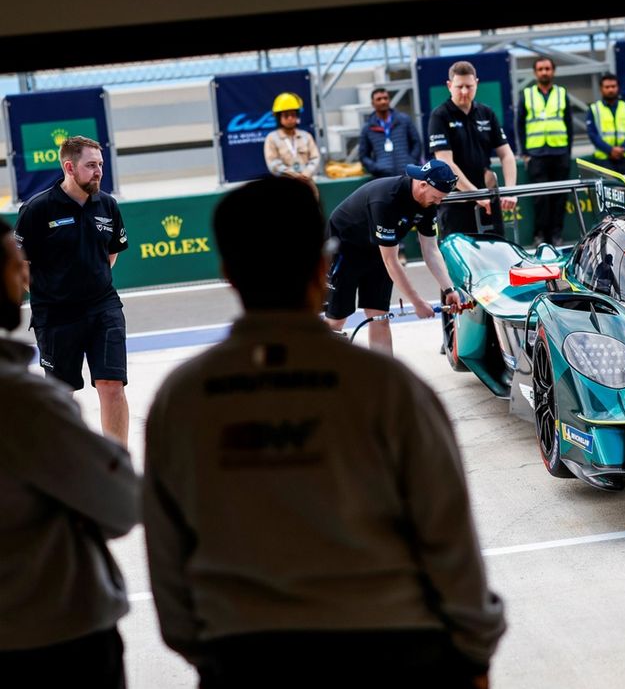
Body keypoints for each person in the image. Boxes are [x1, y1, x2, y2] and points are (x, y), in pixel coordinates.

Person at [143, 176, 506, 688]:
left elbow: (167, 561)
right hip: (390, 649)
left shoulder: (180, 399)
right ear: (321, 267)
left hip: (244, 656)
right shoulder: (392, 390)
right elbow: (449, 540)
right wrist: (473, 654)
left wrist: (213, 654)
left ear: (228, 274)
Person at [0, 218, 140, 688]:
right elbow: (121, 506)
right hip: (51, 631)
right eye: (12, 265)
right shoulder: (25, 402)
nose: (24, 275)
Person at [13, 135, 131, 446]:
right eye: (91, 165)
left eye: (101, 165)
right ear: (69, 167)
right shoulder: (37, 209)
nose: (99, 172)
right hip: (55, 315)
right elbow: (19, 262)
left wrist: (91, 281)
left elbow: (110, 255)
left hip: (103, 307)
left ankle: (117, 460)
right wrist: (47, 291)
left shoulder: (108, 205)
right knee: (61, 395)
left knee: (112, 384)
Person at [324, 160, 463, 354]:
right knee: (337, 318)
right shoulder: (386, 200)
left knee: (379, 316)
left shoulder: (428, 202)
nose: (439, 202)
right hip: (346, 249)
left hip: (377, 249)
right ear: (423, 185)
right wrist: (417, 302)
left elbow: (431, 250)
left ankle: (383, 377)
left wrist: (449, 288)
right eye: (437, 197)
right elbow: (391, 261)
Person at [427, 60, 518, 238]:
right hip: (455, 200)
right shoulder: (440, 116)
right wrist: (475, 194)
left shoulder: (487, 113)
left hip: (488, 199)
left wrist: (510, 191)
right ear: (449, 85)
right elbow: (445, 162)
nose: (464, 92)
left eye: (469, 86)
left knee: (496, 252)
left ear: (476, 83)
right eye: (459, 86)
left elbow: (506, 155)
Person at [517, 56, 573, 246]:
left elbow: (569, 124)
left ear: (553, 71)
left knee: (559, 198)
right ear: (535, 73)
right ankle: (541, 235)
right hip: (536, 154)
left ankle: (556, 235)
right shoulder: (527, 94)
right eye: (540, 69)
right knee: (541, 199)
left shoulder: (562, 93)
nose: (544, 72)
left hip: (559, 153)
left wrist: (568, 152)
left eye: (547, 68)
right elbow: (520, 124)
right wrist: (524, 152)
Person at [263, 91, 321, 197]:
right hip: (284, 186)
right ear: (279, 118)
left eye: (293, 115)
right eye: (286, 115)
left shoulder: (306, 136)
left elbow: (315, 158)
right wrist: (293, 175)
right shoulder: (272, 138)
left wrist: (306, 174)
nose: (290, 118)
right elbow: (273, 164)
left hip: (307, 184)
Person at [359, 87, 423, 178]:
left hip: (406, 175)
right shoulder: (368, 128)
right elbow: (363, 156)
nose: (383, 101)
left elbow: (416, 143)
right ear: (373, 103)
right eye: (379, 99)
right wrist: (376, 168)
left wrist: (411, 161)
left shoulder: (404, 120)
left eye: (385, 98)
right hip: (384, 178)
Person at [586, 72, 625, 175]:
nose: (610, 89)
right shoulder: (594, 109)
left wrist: (622, 149)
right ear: (601, 89)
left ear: (618, 87)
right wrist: (610, 150)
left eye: (613, 86)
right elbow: (592, 134)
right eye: (607, 87)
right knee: (608, 190)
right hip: (604, 158)